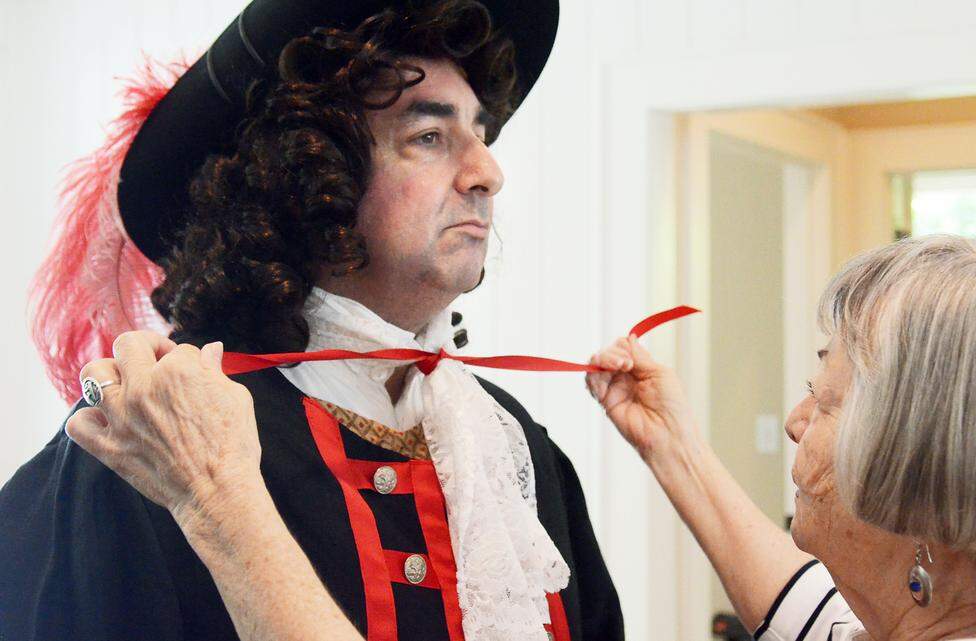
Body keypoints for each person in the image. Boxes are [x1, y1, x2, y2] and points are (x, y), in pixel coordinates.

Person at [0, 1, 623, 640]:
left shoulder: (517, 449)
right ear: (307, 176)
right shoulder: (151, 435)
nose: (488, 174)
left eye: (481, 135)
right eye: (429, 137)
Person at [587, 235, 976, 640]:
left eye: (826, 402)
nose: (795, 422)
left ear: (924, 456)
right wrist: (673, 446)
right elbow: (813, 616)